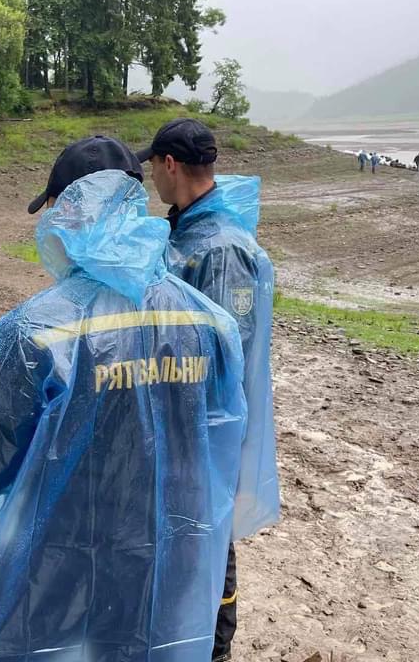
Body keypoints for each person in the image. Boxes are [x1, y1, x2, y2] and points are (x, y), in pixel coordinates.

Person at [0, 136, 248, 661]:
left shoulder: (33, 331)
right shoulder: (209, 323)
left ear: (69, 213)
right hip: (162, 560)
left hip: (52, 565)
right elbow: (219, 449)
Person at [137, 118, 281, 662]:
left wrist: (190, 439)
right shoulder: (187, 230)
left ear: (170, 165)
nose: (152, 175)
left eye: (153, 165)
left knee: (208, 540)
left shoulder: (220, 247)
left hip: (203, 434)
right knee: (187, 542)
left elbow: (221, 355)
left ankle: (214, 650)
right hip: (177, 428)